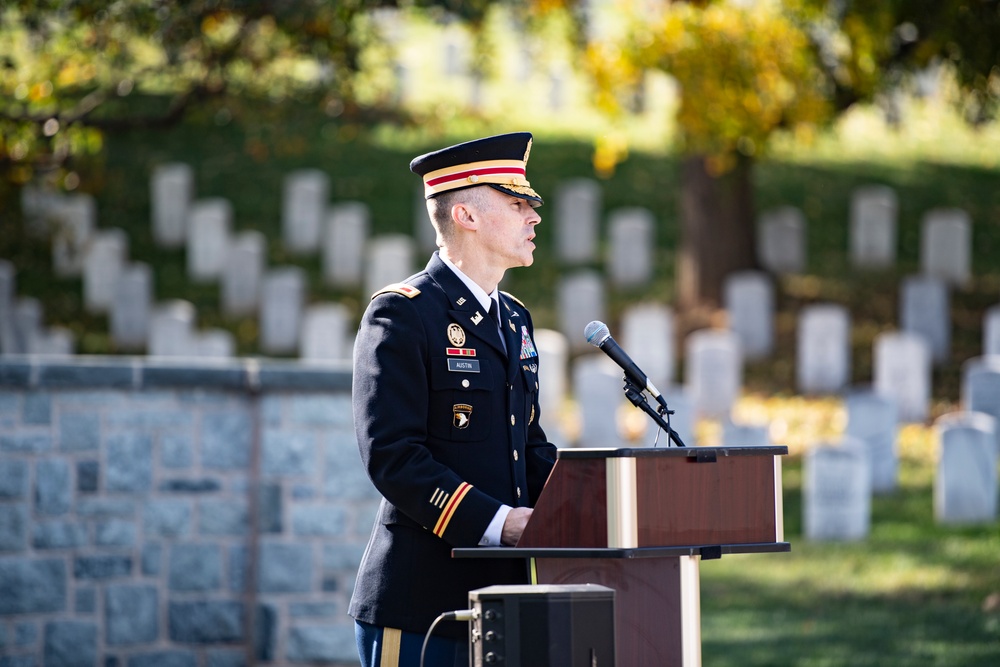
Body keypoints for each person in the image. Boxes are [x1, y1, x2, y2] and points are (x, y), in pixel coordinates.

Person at [349, 132, 558, 667]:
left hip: (508, 601)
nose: (534, 216)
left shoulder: (514, 319)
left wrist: (598, 501)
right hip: (424, 607)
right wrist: (501, 523)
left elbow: (527, 447)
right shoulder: (403, 314)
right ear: (465, 214)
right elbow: (394, 457)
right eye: (518, 204)